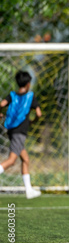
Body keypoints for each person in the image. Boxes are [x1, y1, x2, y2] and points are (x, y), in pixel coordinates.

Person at [0, 70, 42, 199]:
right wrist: (33, 121)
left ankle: (29, 190)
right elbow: (39, 114)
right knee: (12, 160)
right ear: (28, 84)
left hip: (12, 130)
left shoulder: (12, 95)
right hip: (20, 132)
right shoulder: (30, 96)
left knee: (25, 159)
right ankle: (28, 190)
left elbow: (1, 104)